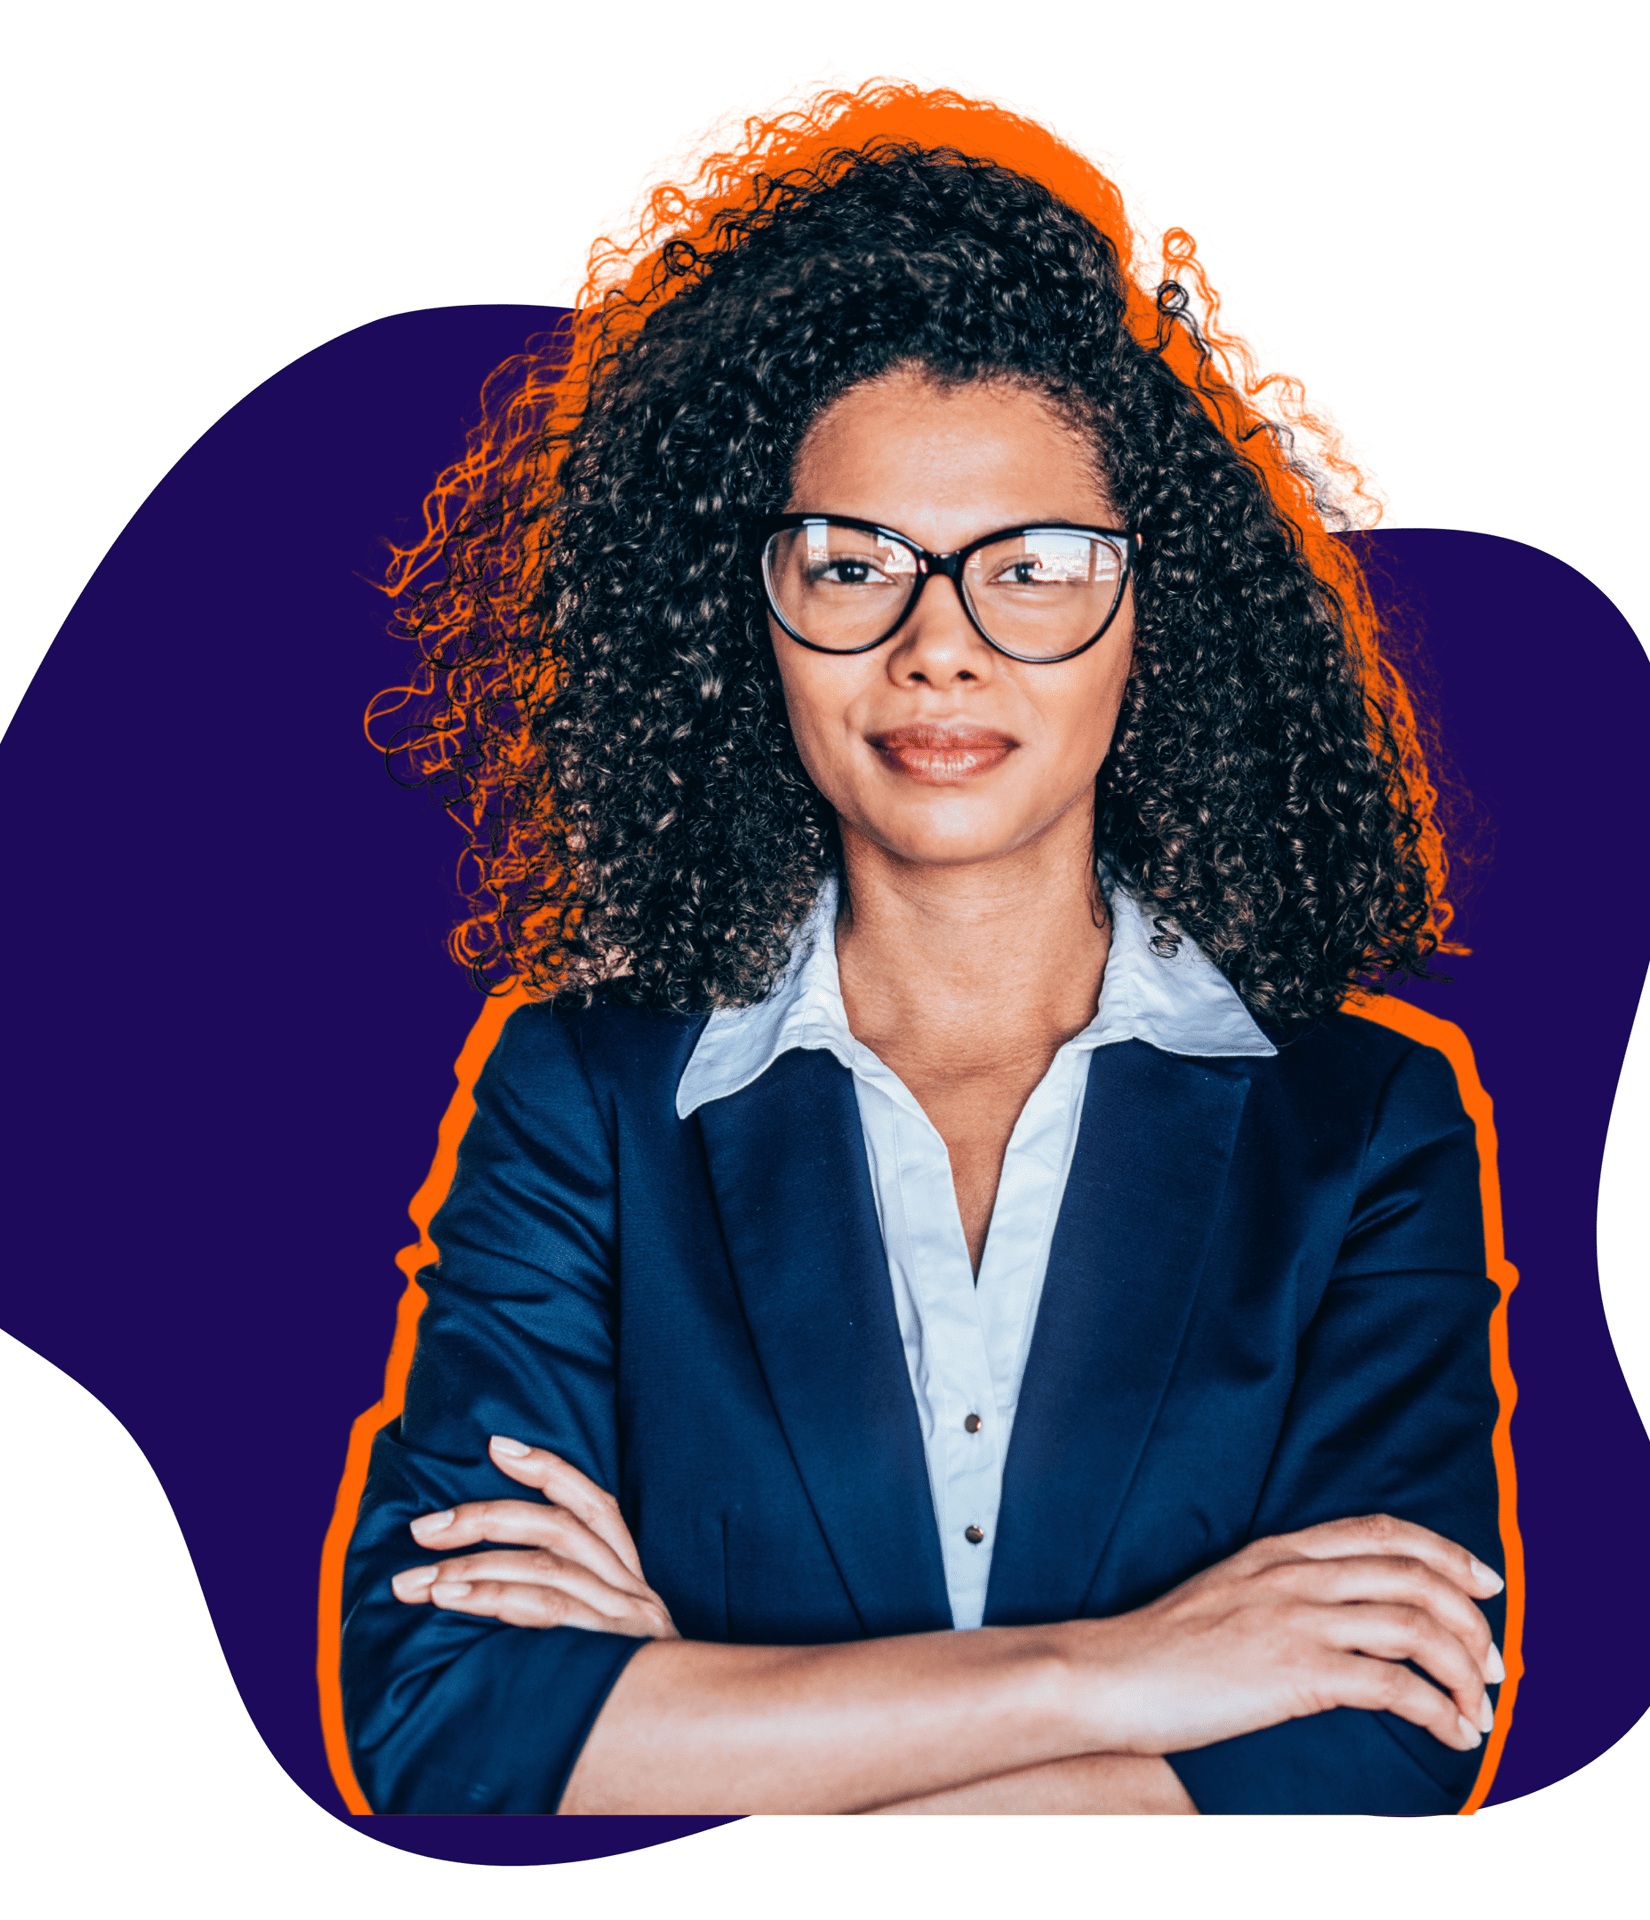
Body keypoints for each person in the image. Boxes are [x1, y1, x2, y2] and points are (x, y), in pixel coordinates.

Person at [339, 84, 1507, 1817]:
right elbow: (445, 1725)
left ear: (1148, 622)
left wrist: (692, 1736)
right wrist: (1126, 1670)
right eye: (851, 563)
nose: (938, 648)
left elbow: (1372, 1739)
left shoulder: (1363, 1132)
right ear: (754, 620)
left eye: (1032, 568)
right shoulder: (580, 1099)